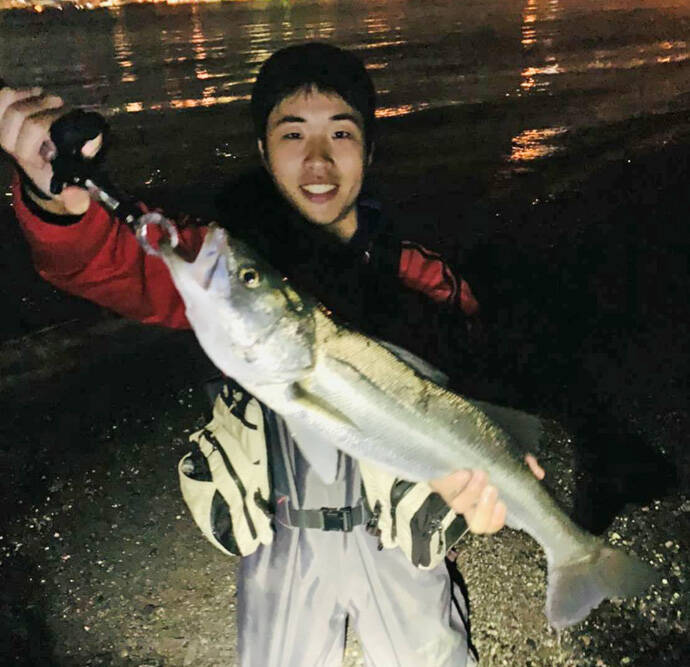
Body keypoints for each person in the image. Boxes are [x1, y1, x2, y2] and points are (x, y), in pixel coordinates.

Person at [1, 43, 543, 666]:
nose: (317, 159)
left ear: (369, 150)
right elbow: (111, 261)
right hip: (280, 539)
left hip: (399, 537)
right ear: (262, 151)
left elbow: (482, 383)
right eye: (292, 134)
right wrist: (58, 198)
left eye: (341, 132)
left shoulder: (419, 279)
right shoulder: (227, 265)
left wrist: (498, 469)